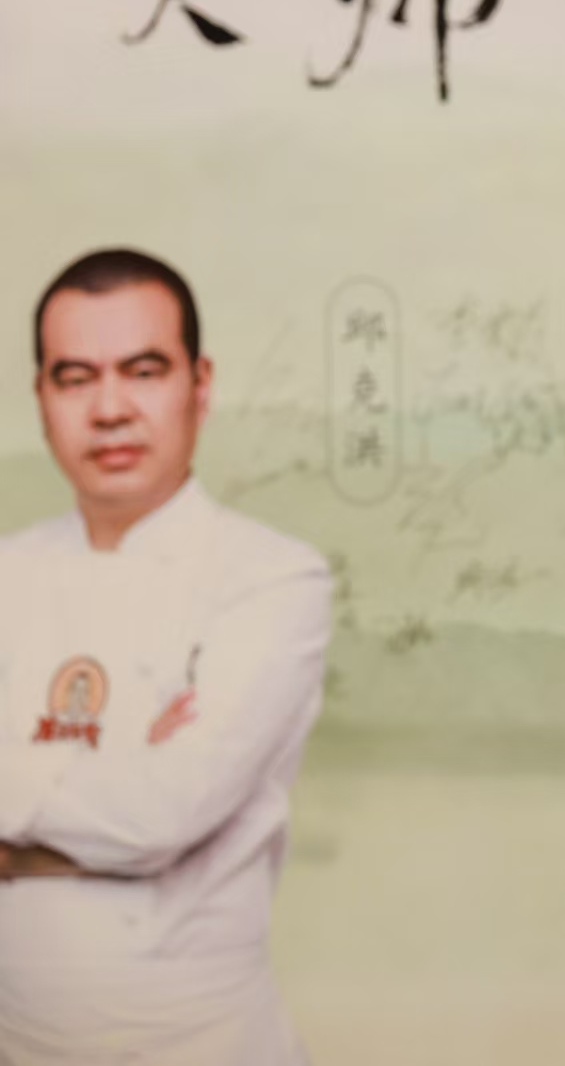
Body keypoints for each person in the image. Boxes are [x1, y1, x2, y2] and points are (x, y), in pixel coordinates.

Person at [0, 249, 332, 1064]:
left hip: (206, 1038)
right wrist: (116, 766)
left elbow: (163, 814)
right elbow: (138, 804)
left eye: (143, 370)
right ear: (40, 397)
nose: (110, 408)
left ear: (199, 383)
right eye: (75, 377)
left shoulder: (272, 576)